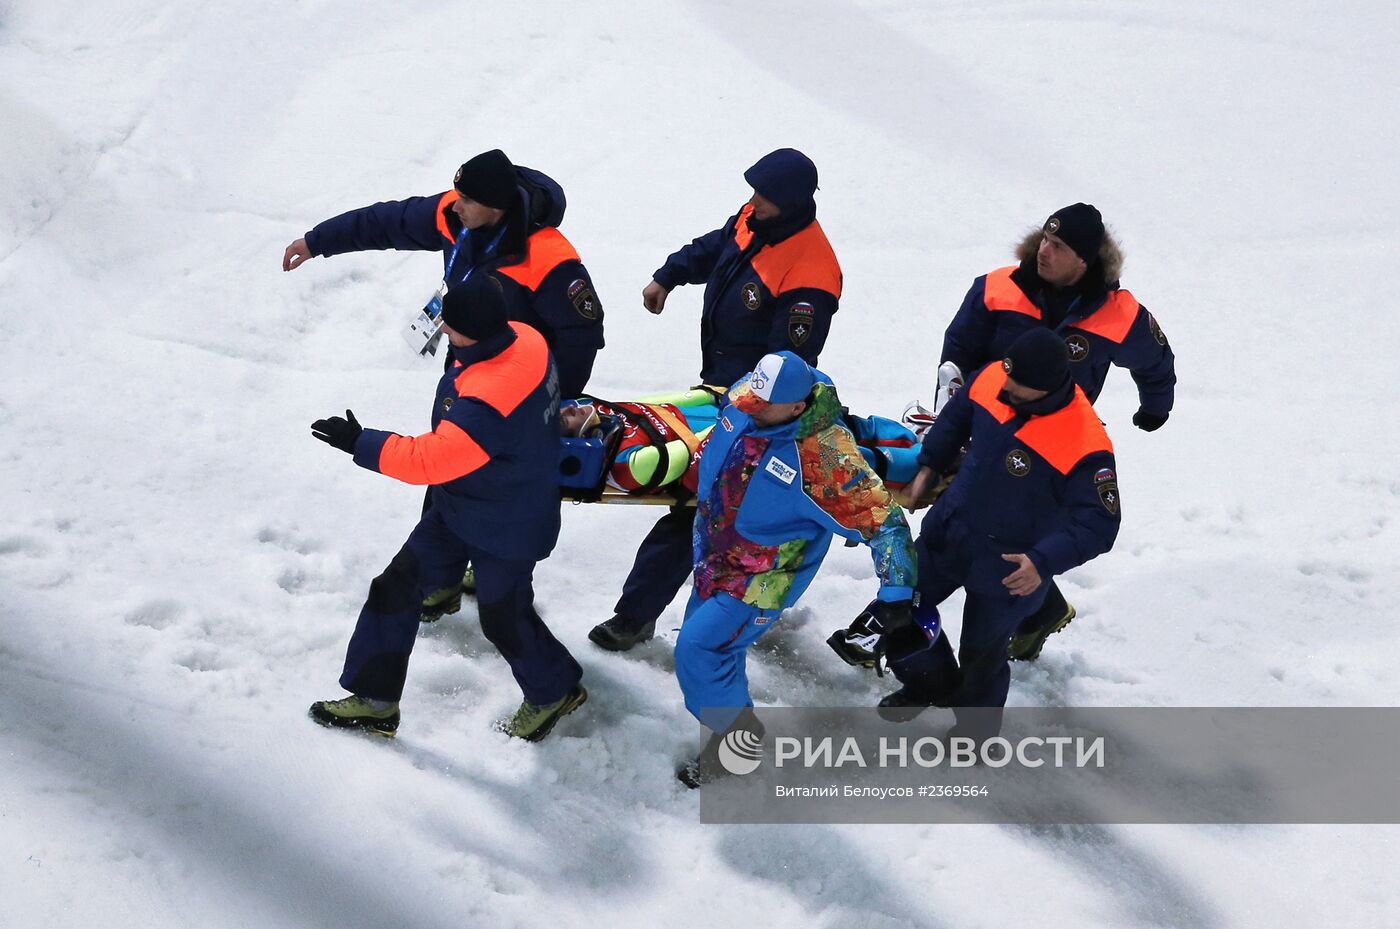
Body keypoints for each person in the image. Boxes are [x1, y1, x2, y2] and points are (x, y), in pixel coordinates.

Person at [306, 275, 586, 742]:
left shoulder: (489, 400)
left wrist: (360, 441)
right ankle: (376, 701)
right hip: (466, 503)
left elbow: (429, 459)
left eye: (449, 327)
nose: (444, 333)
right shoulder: (526, 337)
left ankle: (554, 689)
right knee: (394, 588)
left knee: (504, 617)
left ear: (468, 333)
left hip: (507, 525)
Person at [591, 148, 844, 650]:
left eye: (764, 197)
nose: (752, 202)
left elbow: (785, 371)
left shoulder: (811, 273)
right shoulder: (755, 219)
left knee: (694, 508)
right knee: (696, 507)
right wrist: (669, 275)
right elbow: (715, 248)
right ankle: (660, 616)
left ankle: (645, 618)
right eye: (753, 192)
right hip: (721, 391)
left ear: (790, 204)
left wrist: (741, 421)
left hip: (755, 416)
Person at [938, 203, 1172, 661]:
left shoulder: (1118, 314)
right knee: (969, 522)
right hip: (989, 426)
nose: (1044, 250)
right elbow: (958, 350)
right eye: (1044, 239)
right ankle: (1039, 610)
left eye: (1058, 246)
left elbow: (1157, 362)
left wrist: (1154, 408)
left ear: (1084, 261)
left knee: (1019, 536)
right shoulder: (997, 287)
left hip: (1058, 446)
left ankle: (1032, 613)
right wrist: (953, 413)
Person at [674, 352, 917, 787]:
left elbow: (888, 526)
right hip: (714, 556)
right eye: (749, 397)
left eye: (761, 405)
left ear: (798, 407)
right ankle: (730, 721)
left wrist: (896, 595)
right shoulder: (753, 392)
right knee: (716, 650)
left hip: (759, 581)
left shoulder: (825, 461)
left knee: (698, 648)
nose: (748, 405)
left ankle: (737, 741)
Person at [873, 329, 1120, 738]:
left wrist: (1043, 562)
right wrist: (929, 466)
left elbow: (1100, 523)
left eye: (1016, 386)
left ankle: (975, 733)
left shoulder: (1085, 444)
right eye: (1006, 376)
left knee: (981, 655)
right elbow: (956, 417)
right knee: (898, 610)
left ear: (1045, 388)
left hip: (1010, 568)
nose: (1003, 389)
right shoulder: (993, 378)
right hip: (949, 534)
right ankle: (926, 683)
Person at [283, 148, 605, 397]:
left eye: (466, 199)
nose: (455, 205)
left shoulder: (549, 258)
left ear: (495, 207)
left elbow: (581, 336)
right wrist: (317, 242)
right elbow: (386, 222)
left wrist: (552, 402)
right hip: (462, 368)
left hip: (520, 385)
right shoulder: (454, 217)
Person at [558, 392, 922, 498]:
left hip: (729, 420)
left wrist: (708, 395)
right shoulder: (626, 466)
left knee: (842, 421)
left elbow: (658, 407)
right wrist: (736, 417)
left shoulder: (603, 413)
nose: (572, 407)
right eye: (566, 418)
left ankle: (915, 435)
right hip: (739, 451)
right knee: (836, 456)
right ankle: (926, 458)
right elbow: (681, 456)